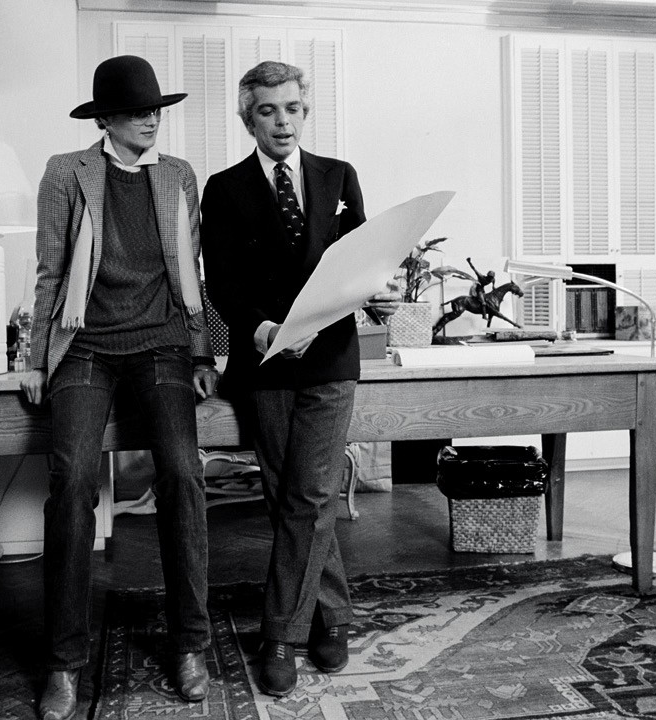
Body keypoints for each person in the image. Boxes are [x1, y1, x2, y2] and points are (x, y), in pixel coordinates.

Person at [20, 55, 218, 720]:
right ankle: (63, 663)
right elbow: (50, 272)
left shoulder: (178, 175)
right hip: (86, 344)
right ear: (105, 119)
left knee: (184, 473)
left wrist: (202, 351)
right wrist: (34, 359)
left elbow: (192, 272)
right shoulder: (66, 172)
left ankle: (190, 643)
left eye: (155, 109)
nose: (150, 120)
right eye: (136, 111)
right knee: (72, 477)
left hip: (161, 341)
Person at [200, 60, 399, 698]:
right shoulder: (223, 188)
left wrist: (377, 294)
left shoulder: (339, 176)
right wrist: (262, 329)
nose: (282, 121)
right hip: (264, 362)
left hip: (330, 359)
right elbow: (221, 280)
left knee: (309, 494)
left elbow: (359, 264)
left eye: (292, 108)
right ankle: (332, 616)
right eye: (268, 110)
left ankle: (280, 636)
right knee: (292, 498)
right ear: (248, 119)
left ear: (305, 112)